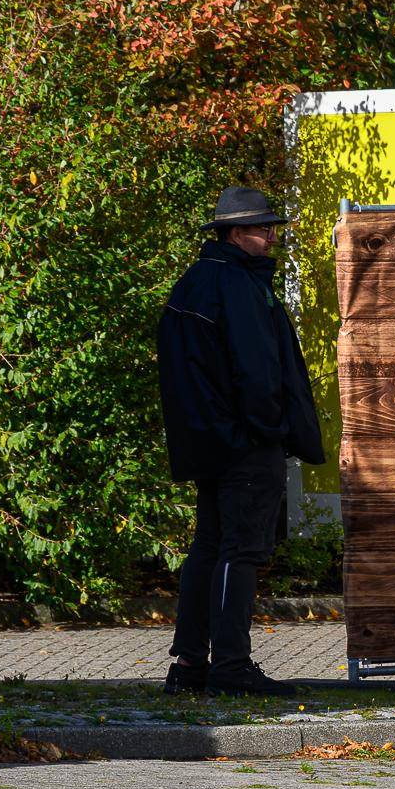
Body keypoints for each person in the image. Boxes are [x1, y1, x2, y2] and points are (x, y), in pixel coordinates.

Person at [157, 186, 326, 696]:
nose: (272, 237)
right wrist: (270, 431)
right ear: (234, 233)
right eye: (262, 229)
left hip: (207, 440)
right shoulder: (239, 285)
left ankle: (189, 665)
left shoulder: (194, 281)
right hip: (245, 442)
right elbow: (258, 371)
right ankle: (230, 666)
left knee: (208, 547)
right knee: (241, 551)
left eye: (272, 228)